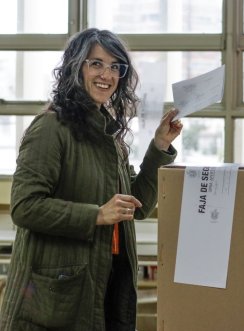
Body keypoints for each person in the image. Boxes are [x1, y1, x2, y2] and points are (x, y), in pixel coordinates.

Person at [0, 28, 183, 330]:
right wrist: (96, 214)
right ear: (76, 66)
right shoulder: (50, 127)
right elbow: (24, 206)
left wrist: (160, 146)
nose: (107, 74)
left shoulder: (109, 135)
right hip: (53, 298)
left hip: (104, 282)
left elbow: (137, 205)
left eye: (115, 66)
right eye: (95, 63)